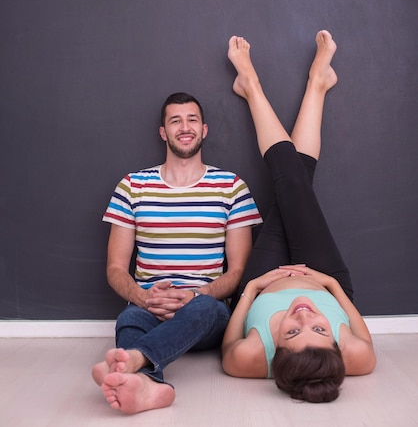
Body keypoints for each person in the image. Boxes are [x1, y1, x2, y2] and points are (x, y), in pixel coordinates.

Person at [222, 31, 376, 403]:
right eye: (321, 330)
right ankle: (269, 86)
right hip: (323, 276)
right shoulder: (357, 358)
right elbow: (363, 334)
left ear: (276, 352)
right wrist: (328, 284)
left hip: (264, 278)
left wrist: (255, 288)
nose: (304, 316)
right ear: (335, 347)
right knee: (295, 184)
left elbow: (228, 342)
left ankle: (292, 85)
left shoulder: (249, 360)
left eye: (292, 332)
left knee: (294, 183)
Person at [92, 92, 262, 414]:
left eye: (192, 120)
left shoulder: (231, 187)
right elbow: (115, 268)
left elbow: (239, 271)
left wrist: (197, 294)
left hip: (206, 311)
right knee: (128, 318)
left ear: (204, 129)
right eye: (175, 120)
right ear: (163, 132)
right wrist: (144, 298)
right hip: (149, 304)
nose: (185, 127)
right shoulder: (132, 186)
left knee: (207, 309)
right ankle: (144, 385)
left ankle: (135, 362)